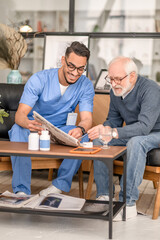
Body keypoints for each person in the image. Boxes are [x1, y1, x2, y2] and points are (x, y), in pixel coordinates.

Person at [9, 41, 95, 197]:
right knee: (17, 129)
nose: (75, 73)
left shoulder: (85, 85)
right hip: (34, 128)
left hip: (60, 129)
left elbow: (87, 119)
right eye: (71, 66)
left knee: (86, 135)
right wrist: (28, 124)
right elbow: (20, 115)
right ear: (63, 60)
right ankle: (21, 190)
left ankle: (58, 186)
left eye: (81, 69)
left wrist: (80, 129)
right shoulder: (39, 79)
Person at [87, 56, 160, 221]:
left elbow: (144, 127)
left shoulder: (150, 90)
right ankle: (104, 196)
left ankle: (128, 203)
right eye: (110, 79)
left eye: (118, 79)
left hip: (155, 132)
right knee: (99, 140)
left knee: (136, 142)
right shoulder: (116, 91)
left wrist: (113, 133)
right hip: (136, 131)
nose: (113, 84)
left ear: (132, 76)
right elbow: (113, 120)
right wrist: (104, 129)